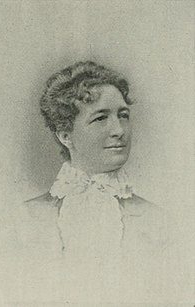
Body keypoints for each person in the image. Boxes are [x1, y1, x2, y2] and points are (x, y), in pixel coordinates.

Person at [17, 61, 178, 304]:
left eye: (123, 116)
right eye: (101, 118)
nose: (119, 130)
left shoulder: (159, 222)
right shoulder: (22, 220)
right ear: (65, 135)